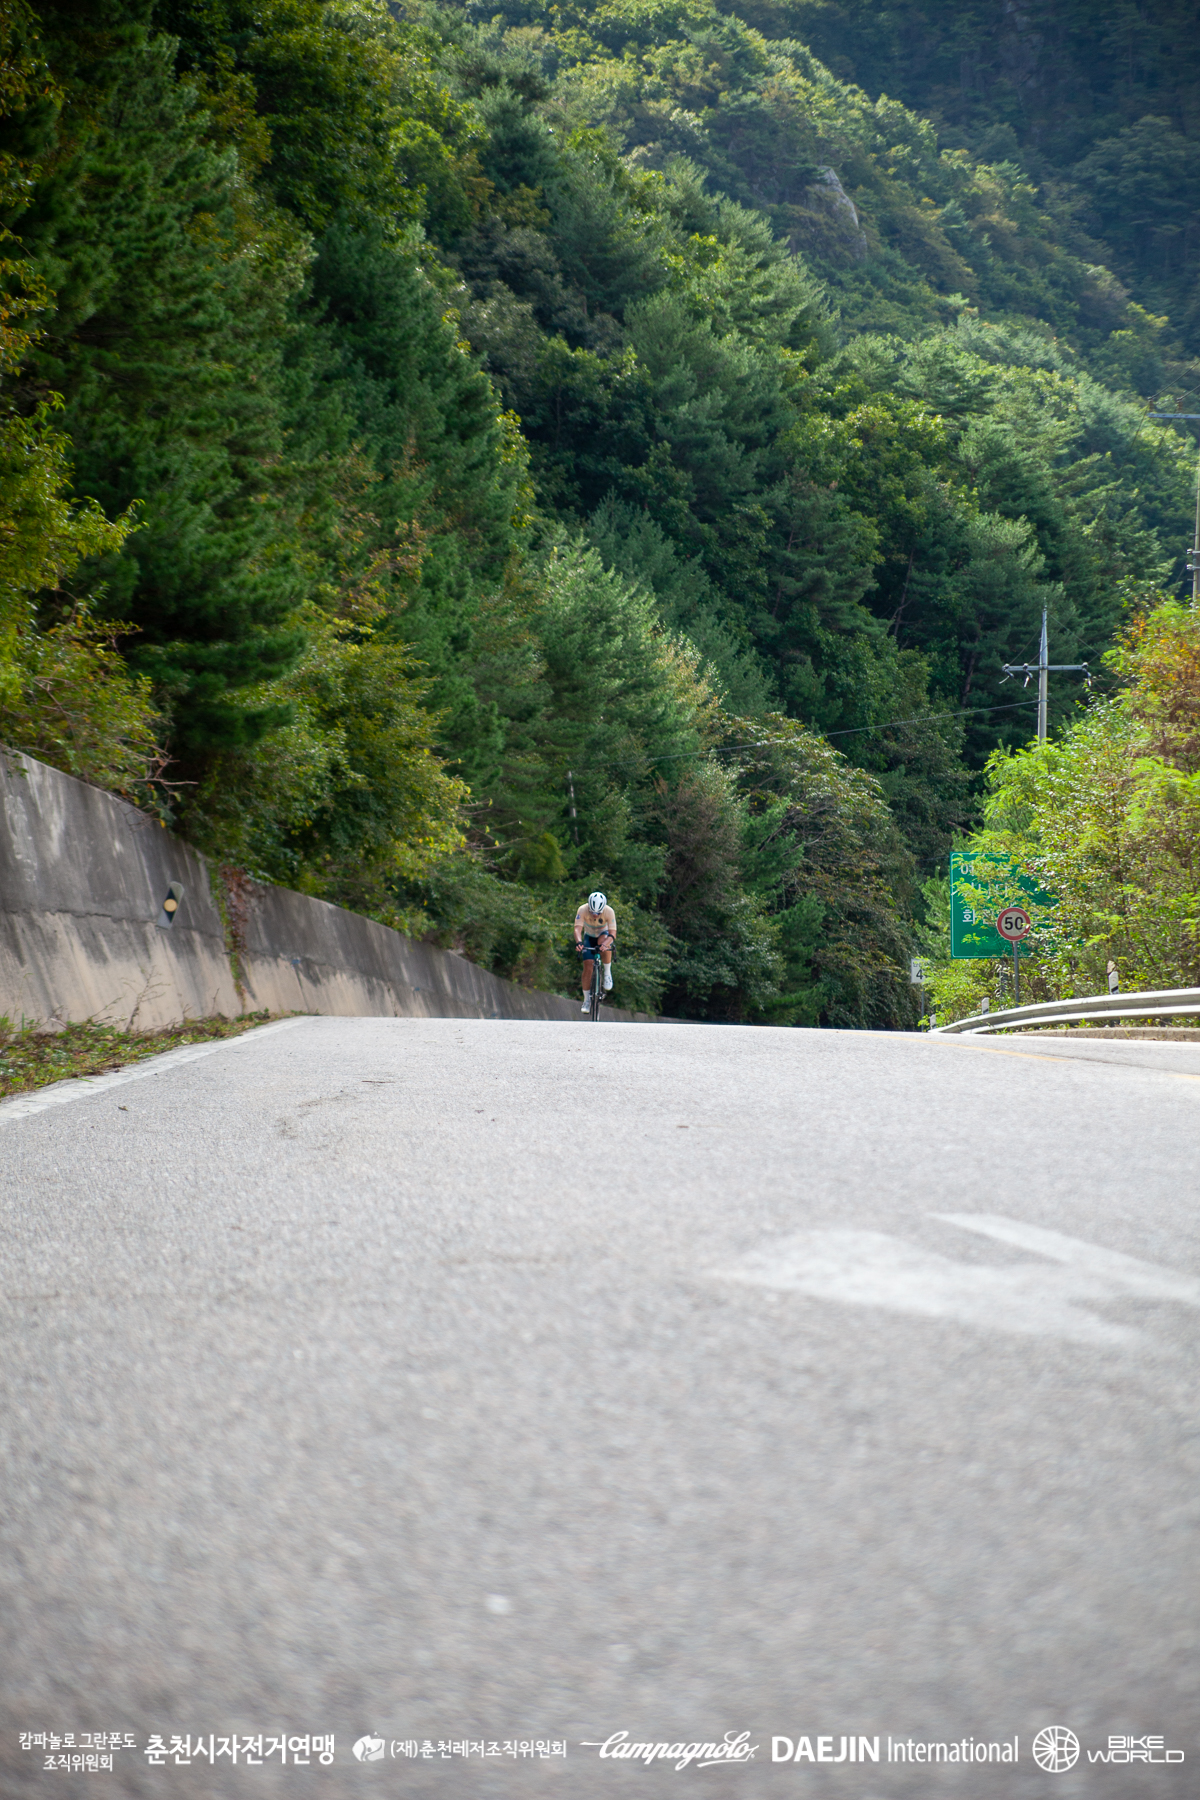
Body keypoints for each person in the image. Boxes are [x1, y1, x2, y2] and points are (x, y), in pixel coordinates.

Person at [574, 890, 616, 1012]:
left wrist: (605, 944)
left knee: (604, 943)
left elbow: (613, 933)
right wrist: (579, 942)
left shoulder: (609, 911)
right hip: (589, 936)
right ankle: (586, 1000)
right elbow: (577, 929)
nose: (595, 915)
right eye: (592, 912)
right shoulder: (582, 909)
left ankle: (607, 972)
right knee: (588, 966)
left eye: (598, 913)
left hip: (604, 935)